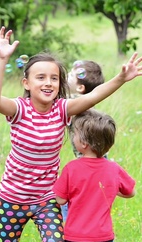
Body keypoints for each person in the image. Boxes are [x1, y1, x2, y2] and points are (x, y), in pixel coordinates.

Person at [0, 26, 142, 242]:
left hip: (47, 199)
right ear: (26, 83)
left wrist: (121, 78)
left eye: (54, 78)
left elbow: (92, 98)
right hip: (13, 198)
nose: (48, 83)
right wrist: (2, 59)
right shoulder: (18, 109)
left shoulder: (61, 109)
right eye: (40, 78)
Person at [53, 108, 136, 242]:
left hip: (74, 241)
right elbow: (131, 192)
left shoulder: (71, 168)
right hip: (102, 241)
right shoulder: (113, 168)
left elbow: (60, 199)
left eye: (74, 134)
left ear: (83, 143)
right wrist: (111, 189)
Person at [61, 60, 105, 219]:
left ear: (80, 88)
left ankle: (71, 224)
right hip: (93, 161)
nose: (66, 76)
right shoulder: (80, 102)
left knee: (75, 197)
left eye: (71, 75)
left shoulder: (75, 101)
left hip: (89, 163)